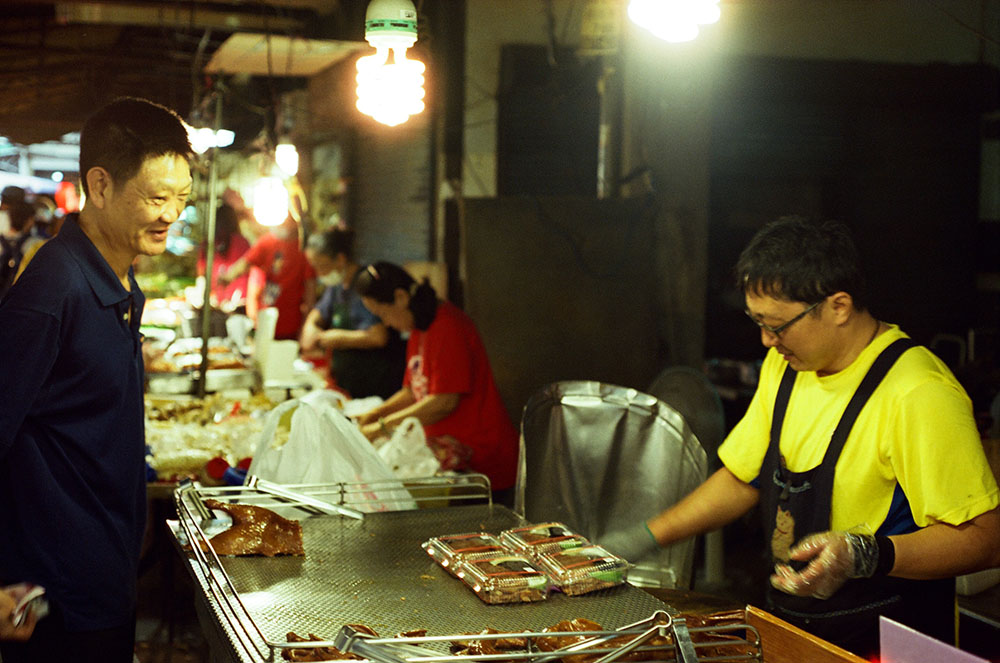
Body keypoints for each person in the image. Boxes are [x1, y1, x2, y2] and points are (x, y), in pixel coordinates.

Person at [602, 216, 1000, 658]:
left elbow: (985, 539)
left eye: (777, 325)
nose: (766, 340)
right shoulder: (789, 366)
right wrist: (639, 539)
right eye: (756, 322)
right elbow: (742, 478)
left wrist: (864, 554)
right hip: (795, 626)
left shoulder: (917, 393)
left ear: (839, 306)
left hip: (886, 641)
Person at [0, 97, 193, 660]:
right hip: (53, 597)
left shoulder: (120, 283)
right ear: (101, 185)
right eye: (157, 198)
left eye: (181, 198)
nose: (171, 214)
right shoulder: (53, 289)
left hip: (105, 575)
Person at [353, 262, 518, 502]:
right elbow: (412, 392)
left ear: (400, 297)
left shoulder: (448, 325)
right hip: (448, 464)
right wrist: (374, 414)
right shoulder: (419, 326)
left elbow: (444, 401)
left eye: (382, 314)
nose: (386, 323)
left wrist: (382, 427)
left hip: (481, 466)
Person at [300, 228, 405, 399]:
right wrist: (311, 327)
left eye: (321, 266)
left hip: (374, 388)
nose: (318, 274)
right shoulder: (336, 287)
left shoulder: (365, 285)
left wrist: (339, 338)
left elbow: (379, 336)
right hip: (346, 386)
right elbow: (317, 313)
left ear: (340, 259)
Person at [218, 213, 315, 340]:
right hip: (264, 321)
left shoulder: (303, 249)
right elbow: (246, 262)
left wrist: (305, 327)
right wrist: (228, 277)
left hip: (290, 325)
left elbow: (310, 290)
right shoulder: (267, 242)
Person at [196, 201, 251, 310]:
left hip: (232, 302)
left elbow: (201, 274)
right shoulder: (242, 242)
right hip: (230, 302)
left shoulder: (209, 243)